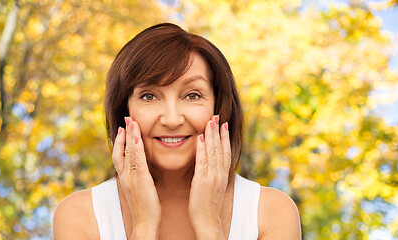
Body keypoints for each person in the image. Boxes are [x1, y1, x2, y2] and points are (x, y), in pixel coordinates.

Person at [53, 23, 301, 240]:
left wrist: (208, 225)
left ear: (219, 106)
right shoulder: (80, 216)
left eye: (192, 95)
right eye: (149, 96)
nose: (172, 119)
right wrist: (144, 226)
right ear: (124, 111)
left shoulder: (271, 213)